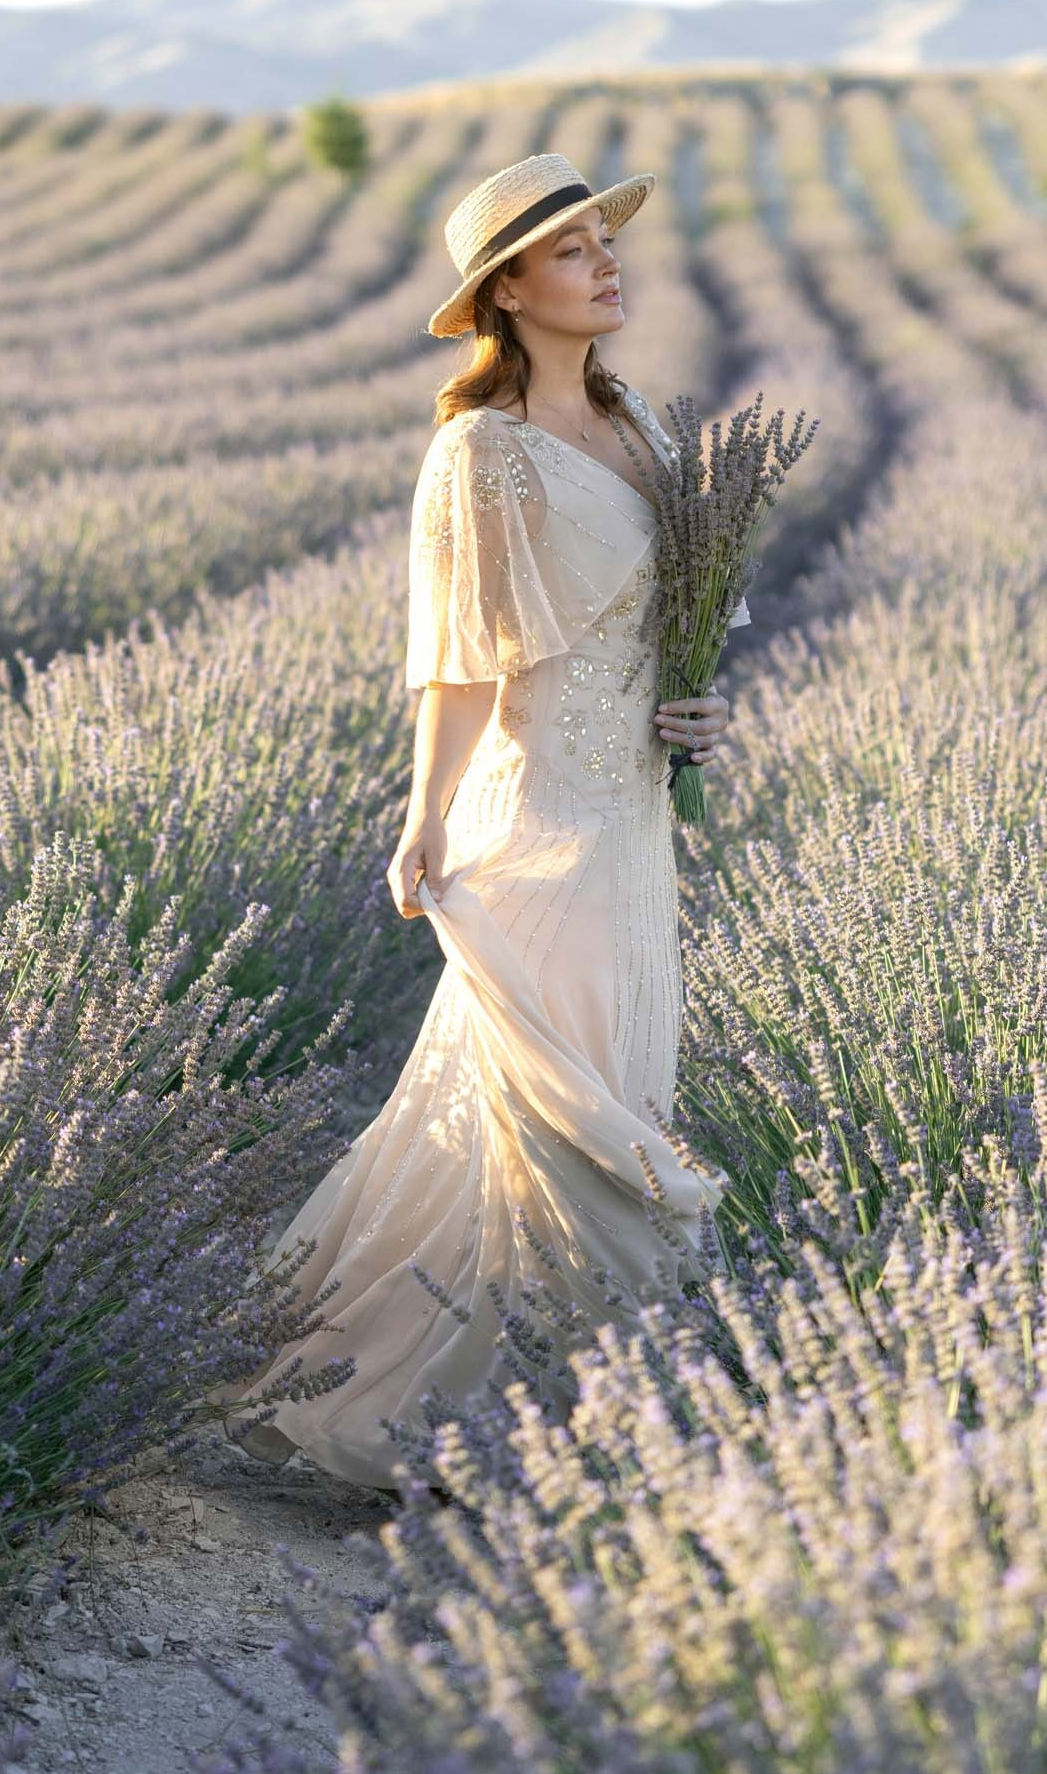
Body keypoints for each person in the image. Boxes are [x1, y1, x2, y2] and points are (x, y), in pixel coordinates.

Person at [226, 150, 736, 1490]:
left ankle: (557, 1412)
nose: (605, 265)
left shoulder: (647, 435)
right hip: (538, 825)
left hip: (631, 829)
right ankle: (449, 1414)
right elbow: (458, 661)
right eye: (572, 250)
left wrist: (693, 715)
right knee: (541, 1113)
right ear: (507, 288)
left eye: (603, 245)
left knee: (607, 1089)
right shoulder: (478, 453)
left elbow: (681, 636)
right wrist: (422, 819)